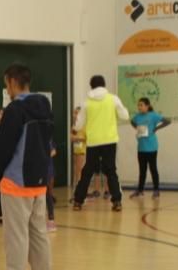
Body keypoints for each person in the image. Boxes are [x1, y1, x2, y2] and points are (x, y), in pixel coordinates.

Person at [0, 63, 54, 270]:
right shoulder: (44, 104)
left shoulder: (15, 109)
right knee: (39, 235)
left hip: (16, 181)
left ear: (12, 82)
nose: (7, 89)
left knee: (16, 238)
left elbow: (4, 146)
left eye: (7, 85)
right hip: (39, 181)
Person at [71, 75, 129, 211]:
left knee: (87, 171)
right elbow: (125, 116)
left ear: (91, 86)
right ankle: (117, 202)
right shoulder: (113, 99)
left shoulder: (86, 103)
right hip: (110, 140)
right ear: (104, 85)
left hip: (93, 142)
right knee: (111, 171)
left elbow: (79, 125)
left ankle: (78, 201)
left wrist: (74, 129)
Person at [130, 97, 170, 199]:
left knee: (153, 169)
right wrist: (137, 128)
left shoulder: (153, 116)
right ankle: (140, 190)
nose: (139, 107)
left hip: (151, 147)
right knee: (142, 170)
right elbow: (132, 121)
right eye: (138, 105)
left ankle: (156, 190)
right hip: (141, 147)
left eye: (141, 105)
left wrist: (156, 128)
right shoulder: (137, 117)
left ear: (147, 106)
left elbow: (167, 121)